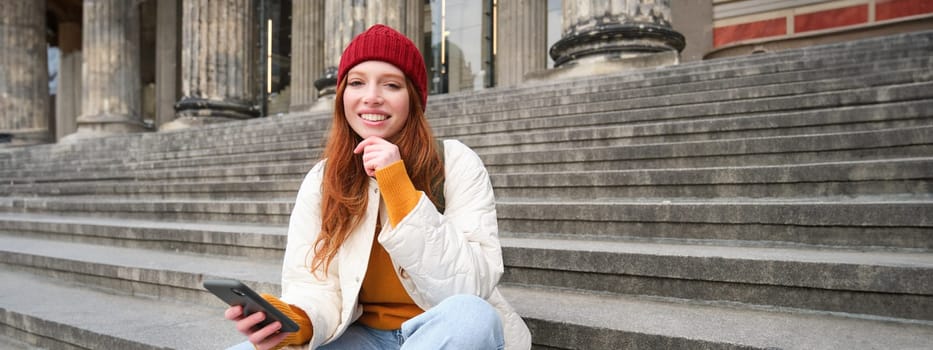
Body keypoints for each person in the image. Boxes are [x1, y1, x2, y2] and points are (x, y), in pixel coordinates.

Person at [223, 24, 532, 350]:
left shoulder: (456, 162)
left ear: (413, 97)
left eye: (391, 85)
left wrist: (398, 185)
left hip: (442, 332)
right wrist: (297, 322)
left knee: (472, 316)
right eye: (357, 83)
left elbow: (470, 285)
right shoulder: (322, 178)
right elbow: (313, 285)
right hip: (362, 337)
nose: (371, 97)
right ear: (343, 96)